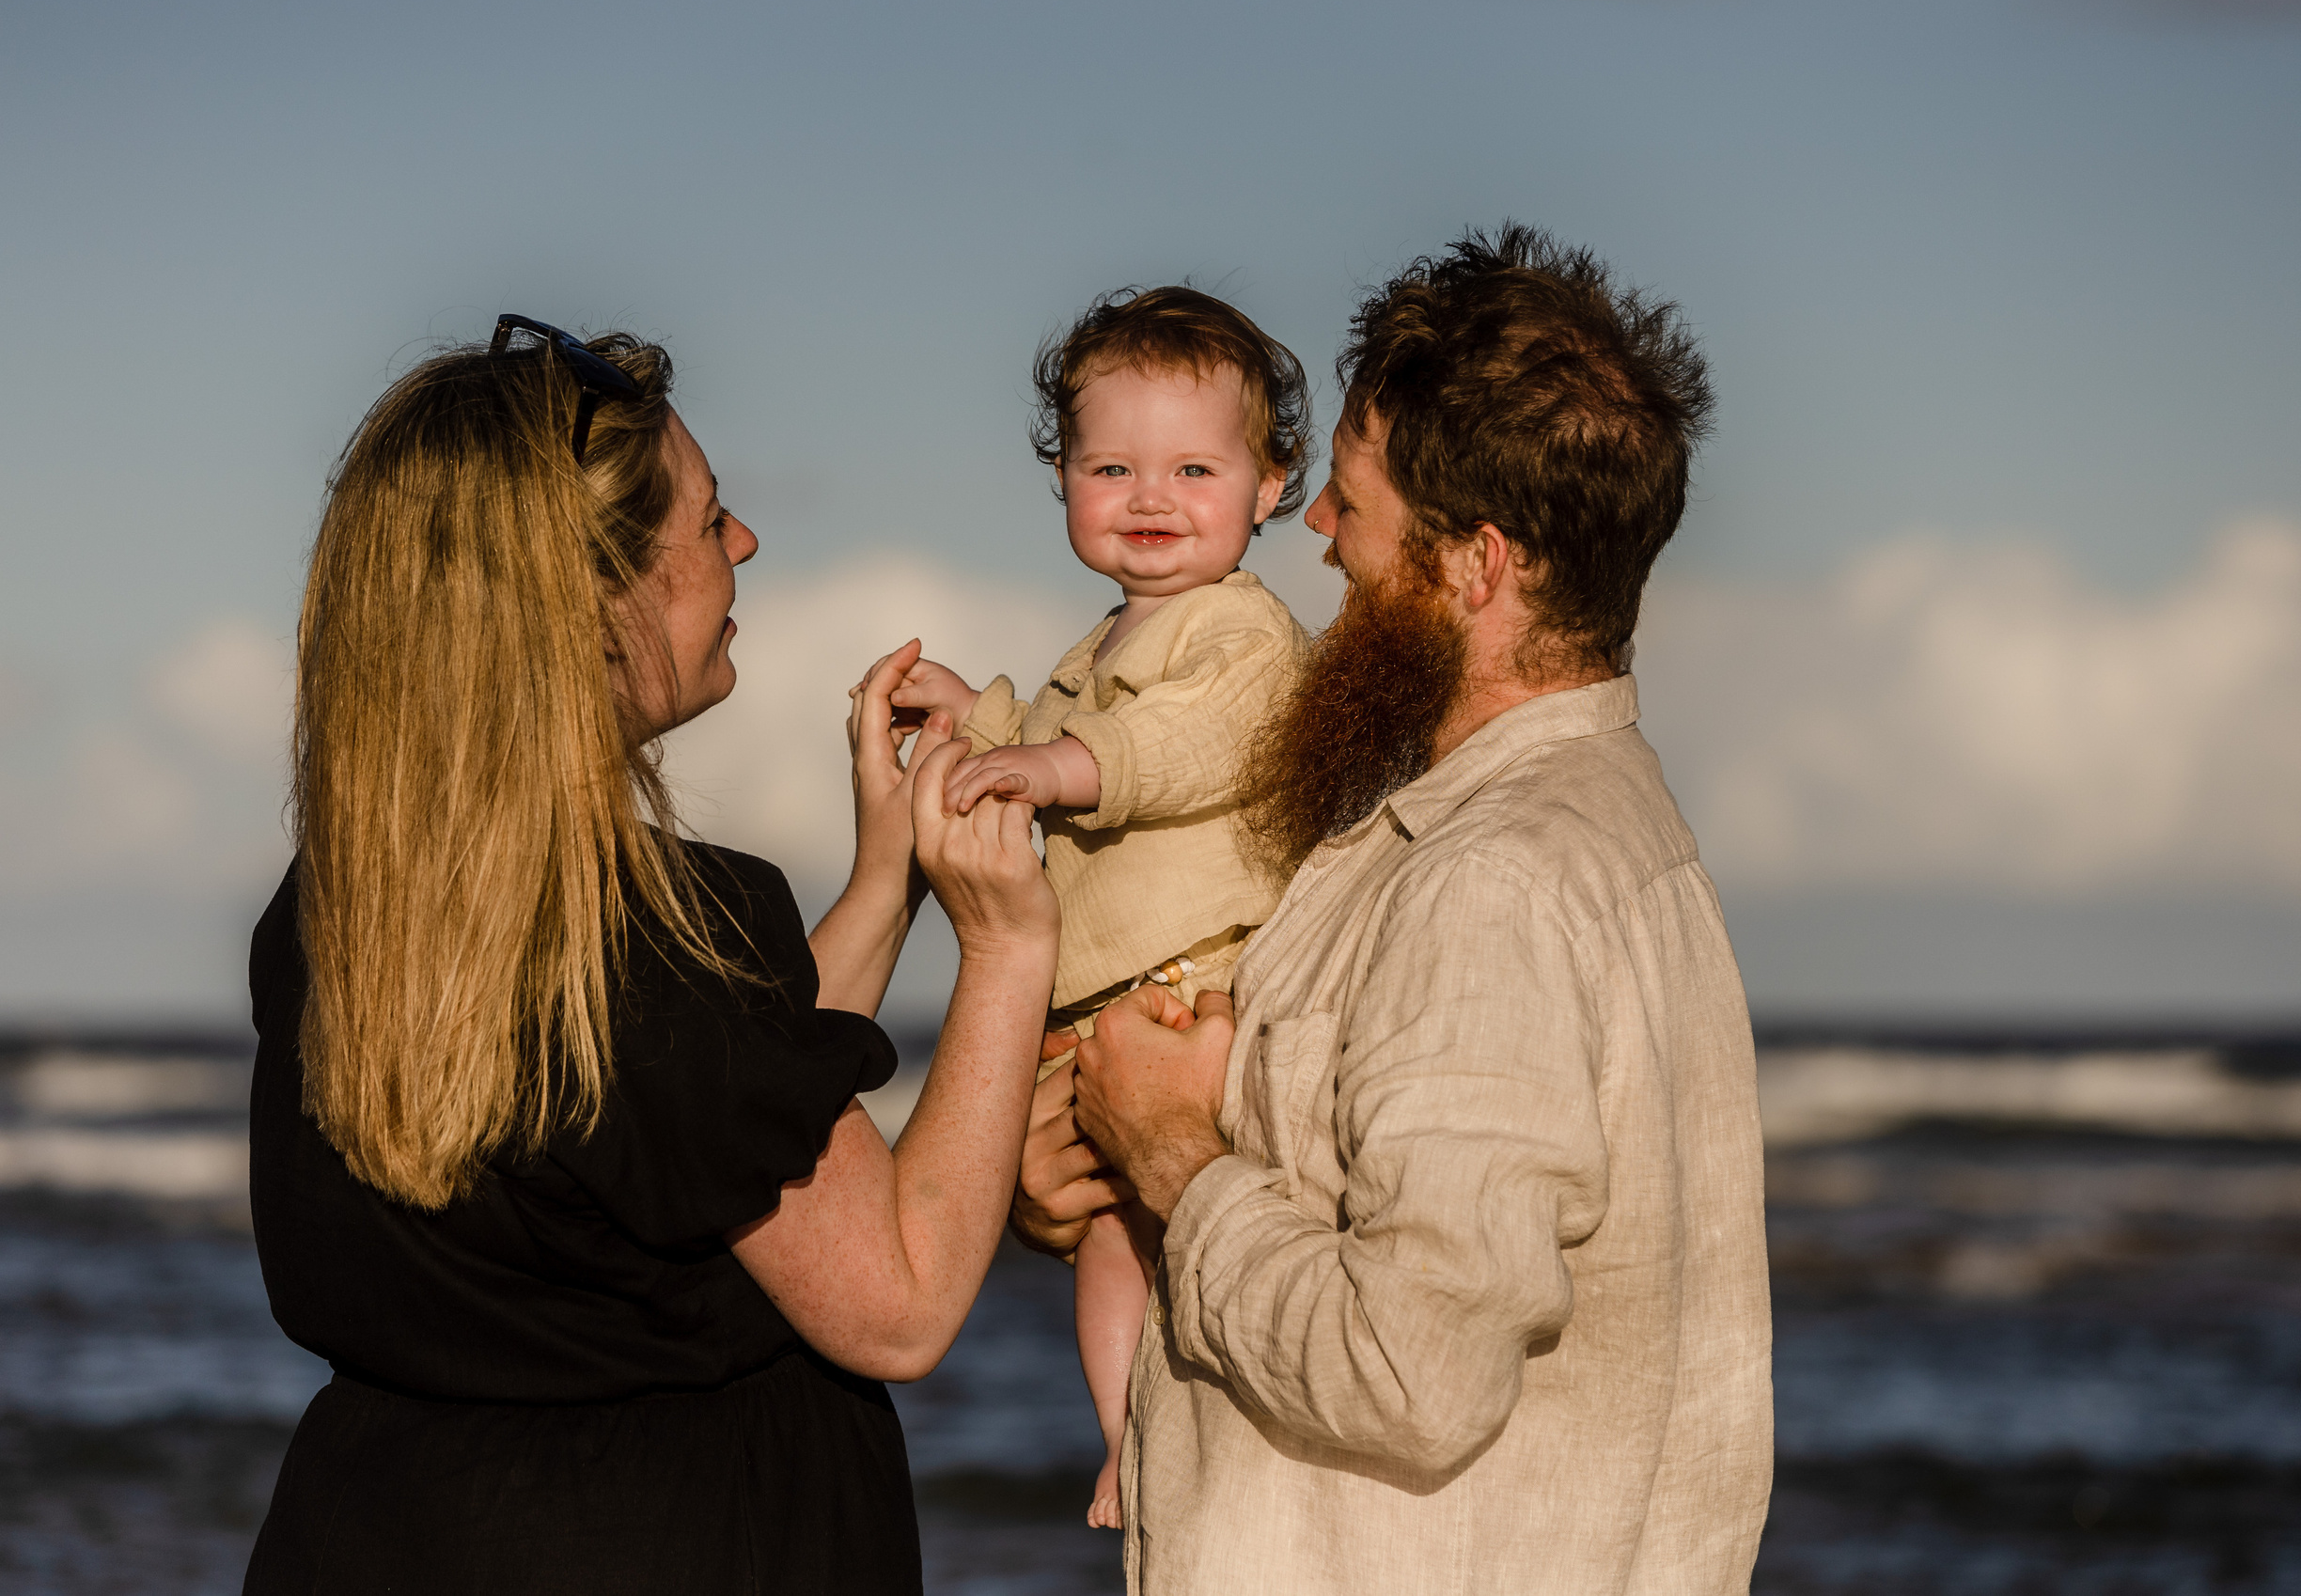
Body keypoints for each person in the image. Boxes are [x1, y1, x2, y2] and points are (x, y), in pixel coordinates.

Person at [243, 318, 1057, 1595]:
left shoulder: (339, 911)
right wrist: (1008, 946)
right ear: (597, 599)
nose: (743, 545)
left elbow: (700, 1114)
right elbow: (895, 1301)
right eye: (711, 520)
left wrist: (889, 877)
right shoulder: (654, 935)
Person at [1015, 227, 1776, 1594]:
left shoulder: (1490, 885)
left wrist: (1184, 1164)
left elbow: (1409, 1371)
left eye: (1349, 508)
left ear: (1478, 566)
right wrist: (1102, 1155)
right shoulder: (1578, 833)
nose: (1311, 532)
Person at [888, 286, 1311, 1528]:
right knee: (1112, 1239)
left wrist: (1044, 767)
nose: (1149, 498)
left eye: (1193, 468)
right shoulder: (1103, 644)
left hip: (1200, 993)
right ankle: (1129, 1440)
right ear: (1063, 476)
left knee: (1191, 1225)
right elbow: (1075, 739)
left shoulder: (1241, 634)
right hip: (1101, 1011)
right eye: (1110, 465)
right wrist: (985, 724)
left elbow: (1170, 752)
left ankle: (1226, 1435)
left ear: (1270, 486)